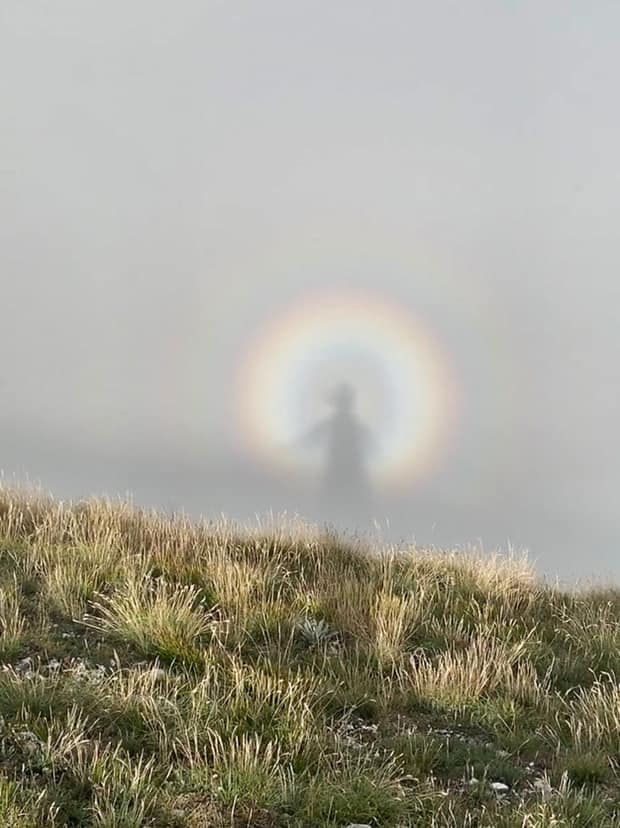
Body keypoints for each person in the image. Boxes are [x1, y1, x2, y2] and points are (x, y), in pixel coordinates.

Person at [300, 381, 375, 532]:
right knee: (334, 509)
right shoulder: (349, 424)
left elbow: (311, 438)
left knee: (343, 509)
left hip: (345, 473)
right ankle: (333, 540)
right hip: (341, 472)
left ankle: (342, 541)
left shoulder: (346, 425)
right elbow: (311, 437)